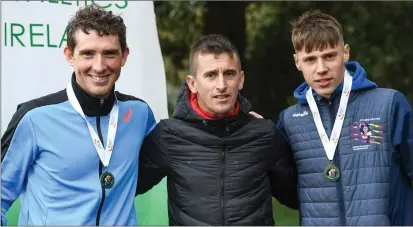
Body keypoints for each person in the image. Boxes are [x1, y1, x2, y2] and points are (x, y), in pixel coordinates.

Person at [1, 5, 156, 225]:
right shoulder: (34, 118)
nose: (99, 66)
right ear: (70, 55)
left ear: (124, 56)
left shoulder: (139, 114)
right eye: (88, 54)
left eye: (109, 53)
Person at [136, 34, 298, 225]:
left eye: (229, 74)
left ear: (241, 79)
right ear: (192, 83)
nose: (221, 85)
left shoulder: (265, 134)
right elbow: (118, 188)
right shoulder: (168, 136)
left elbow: (298, 197)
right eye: (211, 75)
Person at [275, 9, 413, 226]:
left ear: (345, 52)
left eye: (329, 56)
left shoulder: (389, 104)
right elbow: (289, 192)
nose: (321, 69)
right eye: (310, 59)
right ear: (297, 62)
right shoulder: (289, 121)